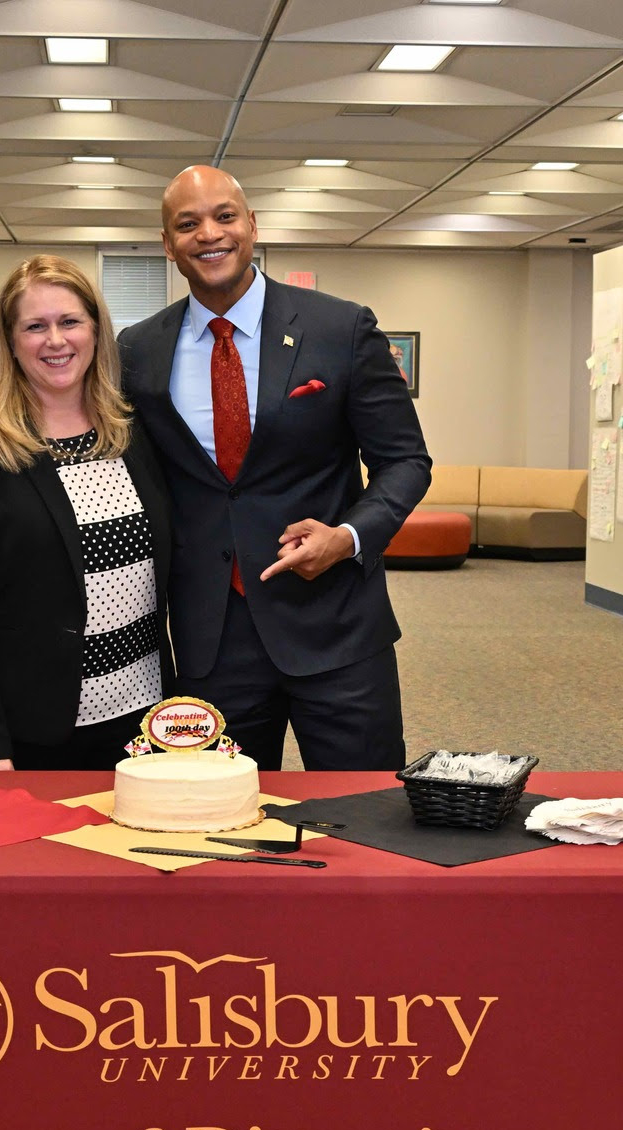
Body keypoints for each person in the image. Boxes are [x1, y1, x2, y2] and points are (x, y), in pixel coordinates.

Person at [121, 167, 430, 771]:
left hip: (336, 626)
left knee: (362, 809)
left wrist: (348, 536)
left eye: (224, 216)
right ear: (168, 245)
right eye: (187, 224)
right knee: (219, 813)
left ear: (252, 225)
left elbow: (405, 461)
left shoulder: (340, 328)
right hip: (211, 638)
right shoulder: (137, 349)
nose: (209, 234)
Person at [0, 255, 173, 769]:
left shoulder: (131, 431)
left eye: (70, 321)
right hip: (30, 724)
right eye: (35, 326)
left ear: (95, 331)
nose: (56, 340)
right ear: (10, 341)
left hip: (143, 719)